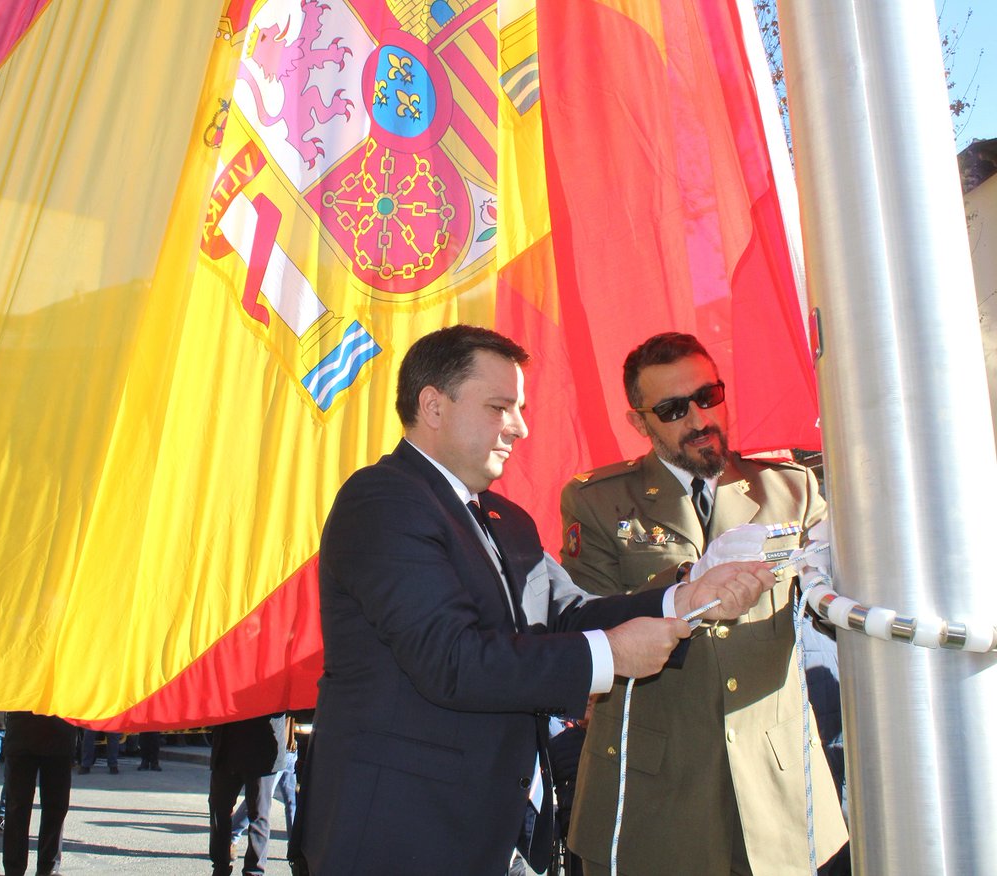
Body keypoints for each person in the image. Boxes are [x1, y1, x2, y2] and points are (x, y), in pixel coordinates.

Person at [290, 325, 775, 875]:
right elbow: (450, 660)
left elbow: (570, 613)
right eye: (501, 407)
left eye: (519, 407)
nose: (520, 427)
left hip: (496, 834)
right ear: (433, 406)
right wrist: (609, 655)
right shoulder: (383, 501)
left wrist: (686, 598)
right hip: (402, 835)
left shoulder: (505, 520)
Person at [559, 331, 849, 874]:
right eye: (672, 409)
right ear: (640, 423)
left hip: (774, 781)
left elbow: (828, 597)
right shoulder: (599, 500)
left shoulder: (788, 489)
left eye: (707, 396)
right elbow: (584, 617)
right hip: (654, 788)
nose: (698, 419)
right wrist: (690, 579)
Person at [208, 713, 287, 876]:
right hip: (227, 746)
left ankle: (254, 871)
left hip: (262, 747)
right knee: (218, 808)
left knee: (259, 813)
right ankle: (220, 866)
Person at [2, 711, 74, 876]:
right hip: (22, 733)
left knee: (56, 807)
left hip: (59, 732)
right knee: (17, 806)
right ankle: (14, 870)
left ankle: (48, 868)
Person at [229, 715, 298, 843]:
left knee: (292, 800)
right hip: (278, 748)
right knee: (261, 797)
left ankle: (295, 847)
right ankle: (231, 836)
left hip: (291, 747)